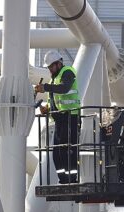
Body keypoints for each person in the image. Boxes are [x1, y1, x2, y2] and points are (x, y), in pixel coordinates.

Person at [34, 50, 81, 184]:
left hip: (71, 117)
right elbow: (55, 100)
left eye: (51, 67)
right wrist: (47, 109)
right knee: (57, 153)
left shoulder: (67, 72)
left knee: (68, 150)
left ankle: (72, 179)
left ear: (58, 64)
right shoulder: (54, 78)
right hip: (60, 119)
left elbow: (64, 89)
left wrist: (46, 87)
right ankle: (63, 179)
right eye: (48, 67)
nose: (49, 69)